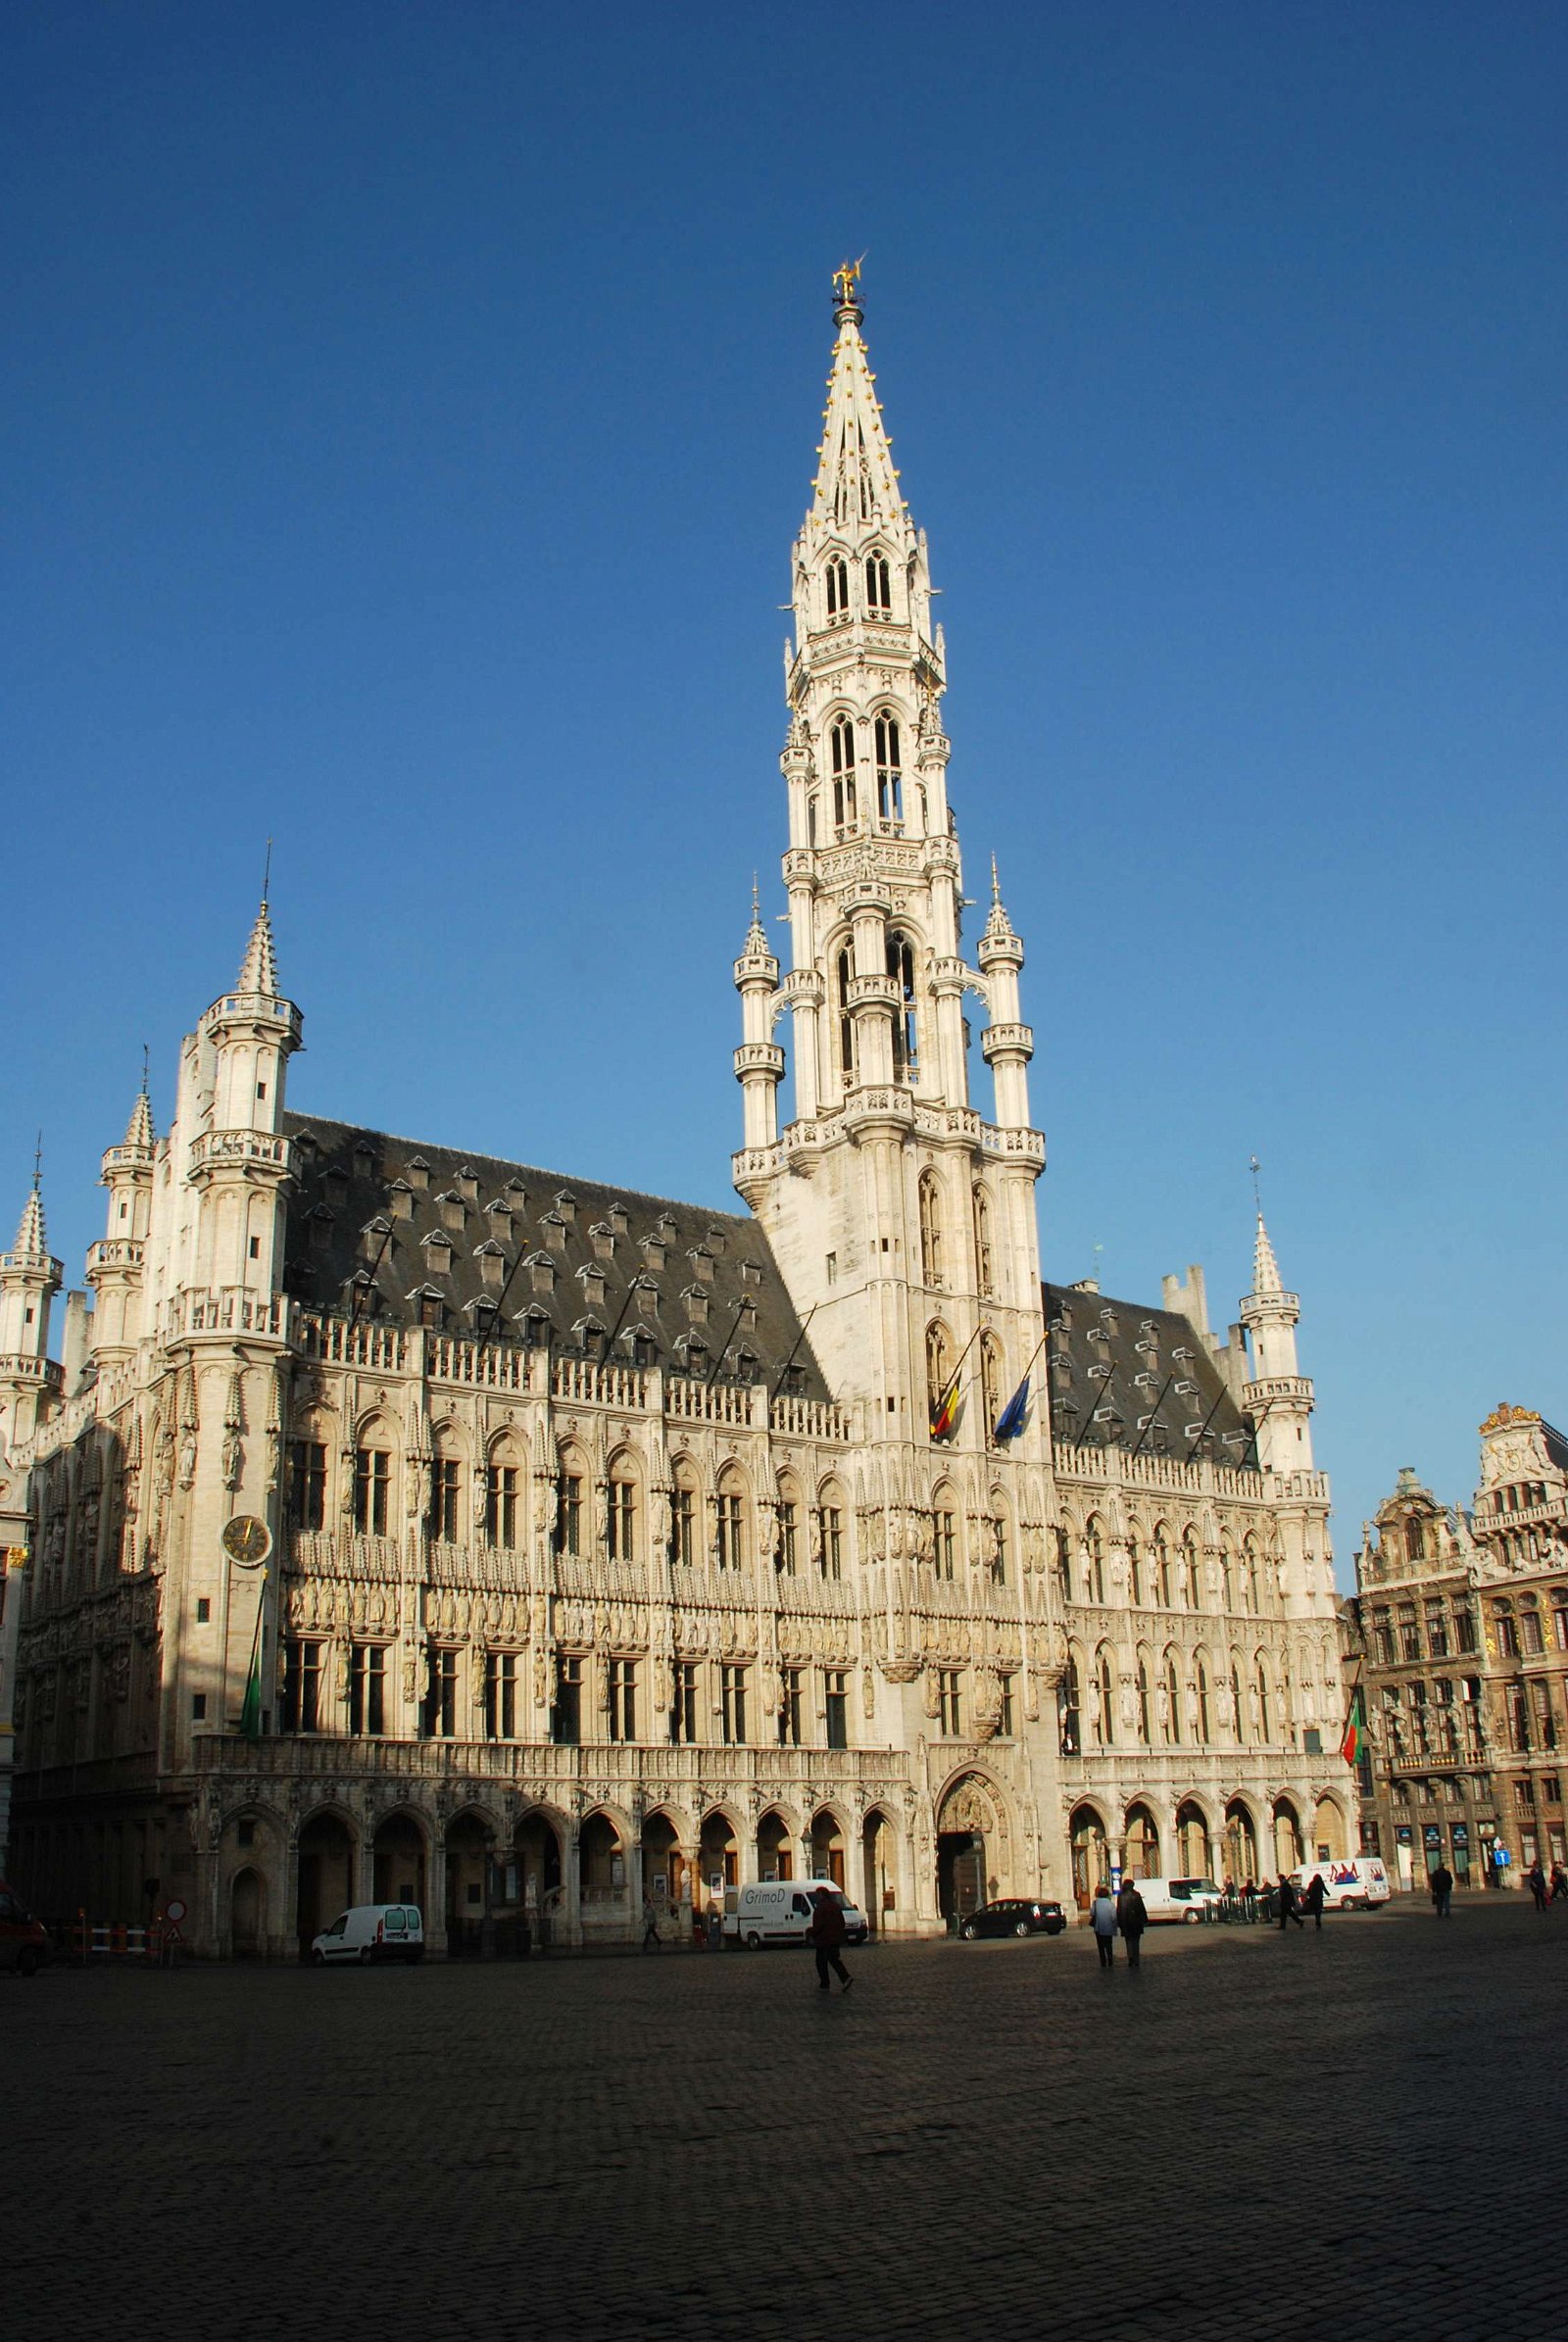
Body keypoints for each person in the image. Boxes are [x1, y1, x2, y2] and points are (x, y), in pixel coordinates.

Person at [807, 1884, 853, 1992]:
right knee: (834, 1959)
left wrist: (810, 1932)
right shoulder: (836, 1906)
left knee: (821, 1963)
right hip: (835, 1939)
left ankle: (825, 1984)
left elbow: (819, 1925)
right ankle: (845, 1977)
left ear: (821, 1895)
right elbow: (842, 1922)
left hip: (823, 1940)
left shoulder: (820, 1908)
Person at [1116, 1878, 1148, 1968]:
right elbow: (1141, 1908)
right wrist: (1145, 1920)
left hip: (1126, 1921)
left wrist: (1119, 1922)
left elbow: (1119, 1910)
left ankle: (1130, 1958)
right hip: (1136, 1922)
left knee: (1128, 1941)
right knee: (1136, 1942)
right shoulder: (1136, 1895)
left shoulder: (1121, 1895)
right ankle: (1136, 1959)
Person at [1090, 1882, 1118, 1969]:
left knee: (1101, 1946)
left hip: (1098, 1928)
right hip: (1108, 1928)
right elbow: (1114, 1917)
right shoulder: (1111, 1905)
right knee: (1109, 1945)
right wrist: (1115, 1926)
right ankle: (1110, 1960)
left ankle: (1103, 1962)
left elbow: (1092, 1913)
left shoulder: (1095, 1903)